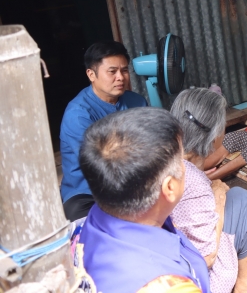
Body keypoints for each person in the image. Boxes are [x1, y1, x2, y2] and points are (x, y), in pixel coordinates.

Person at [77, 107, 210, 293]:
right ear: (169, 187)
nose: (184, 166)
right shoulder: (168, 286)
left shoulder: (93, 219)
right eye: (181, 160)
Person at [169, 88, 247, 293]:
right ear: (215, 134)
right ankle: (246, 282)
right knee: (240, 199)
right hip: (203, 283)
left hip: (175, 264)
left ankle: (243, 263)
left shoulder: (167, 161)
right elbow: (206, 258)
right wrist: (219, 199)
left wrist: (245, 236)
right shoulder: (194, 181)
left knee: (231, 205)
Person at [59, 41, 147, 222]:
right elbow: (99, 164)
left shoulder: (137, 102)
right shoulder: (78, 114)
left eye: (124, 70)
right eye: (112, 71)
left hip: (134, 183)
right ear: (91, 74)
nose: (120, 77)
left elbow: (152, 145)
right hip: (88, 193)